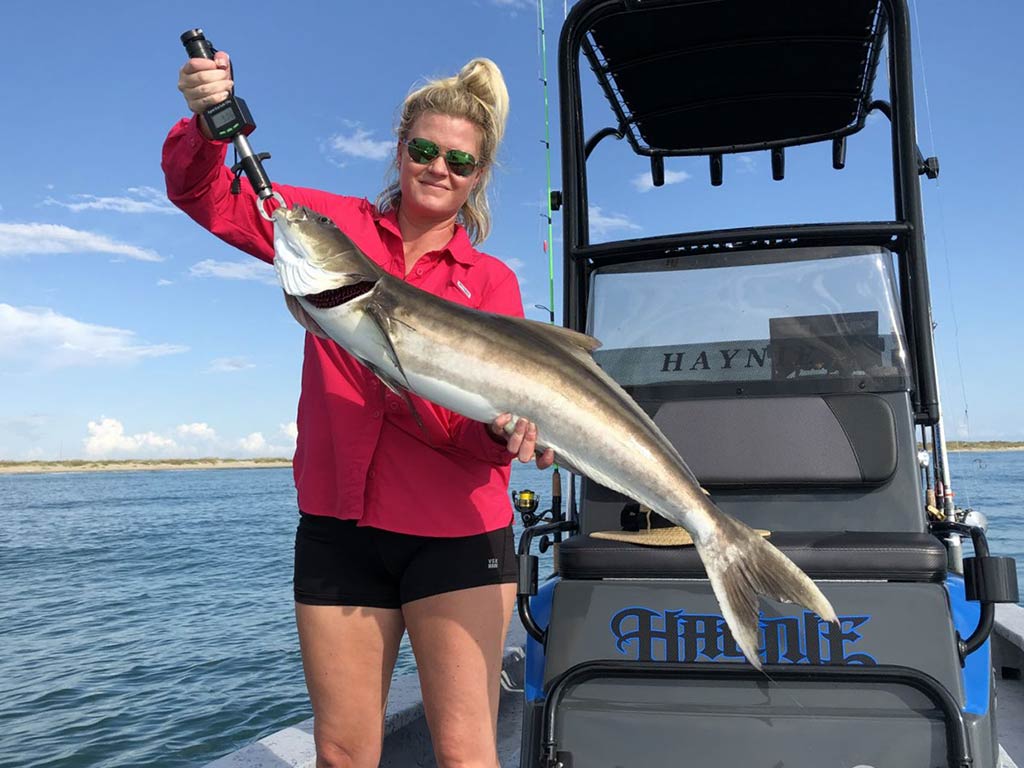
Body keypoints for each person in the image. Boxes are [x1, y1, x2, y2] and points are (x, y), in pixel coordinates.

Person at [164, 50, 554, 768]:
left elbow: (479, 448)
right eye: (426, 150)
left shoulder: (491, 284)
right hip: (338, 529)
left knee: (467, 752)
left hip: (456, 534)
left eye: (460, 163)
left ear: (479, 177)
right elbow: (207, 197)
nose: (439, 170)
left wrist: (508, 433)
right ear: (401, 148)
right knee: (341, 752)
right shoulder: (326, 228)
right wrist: (205, 126)